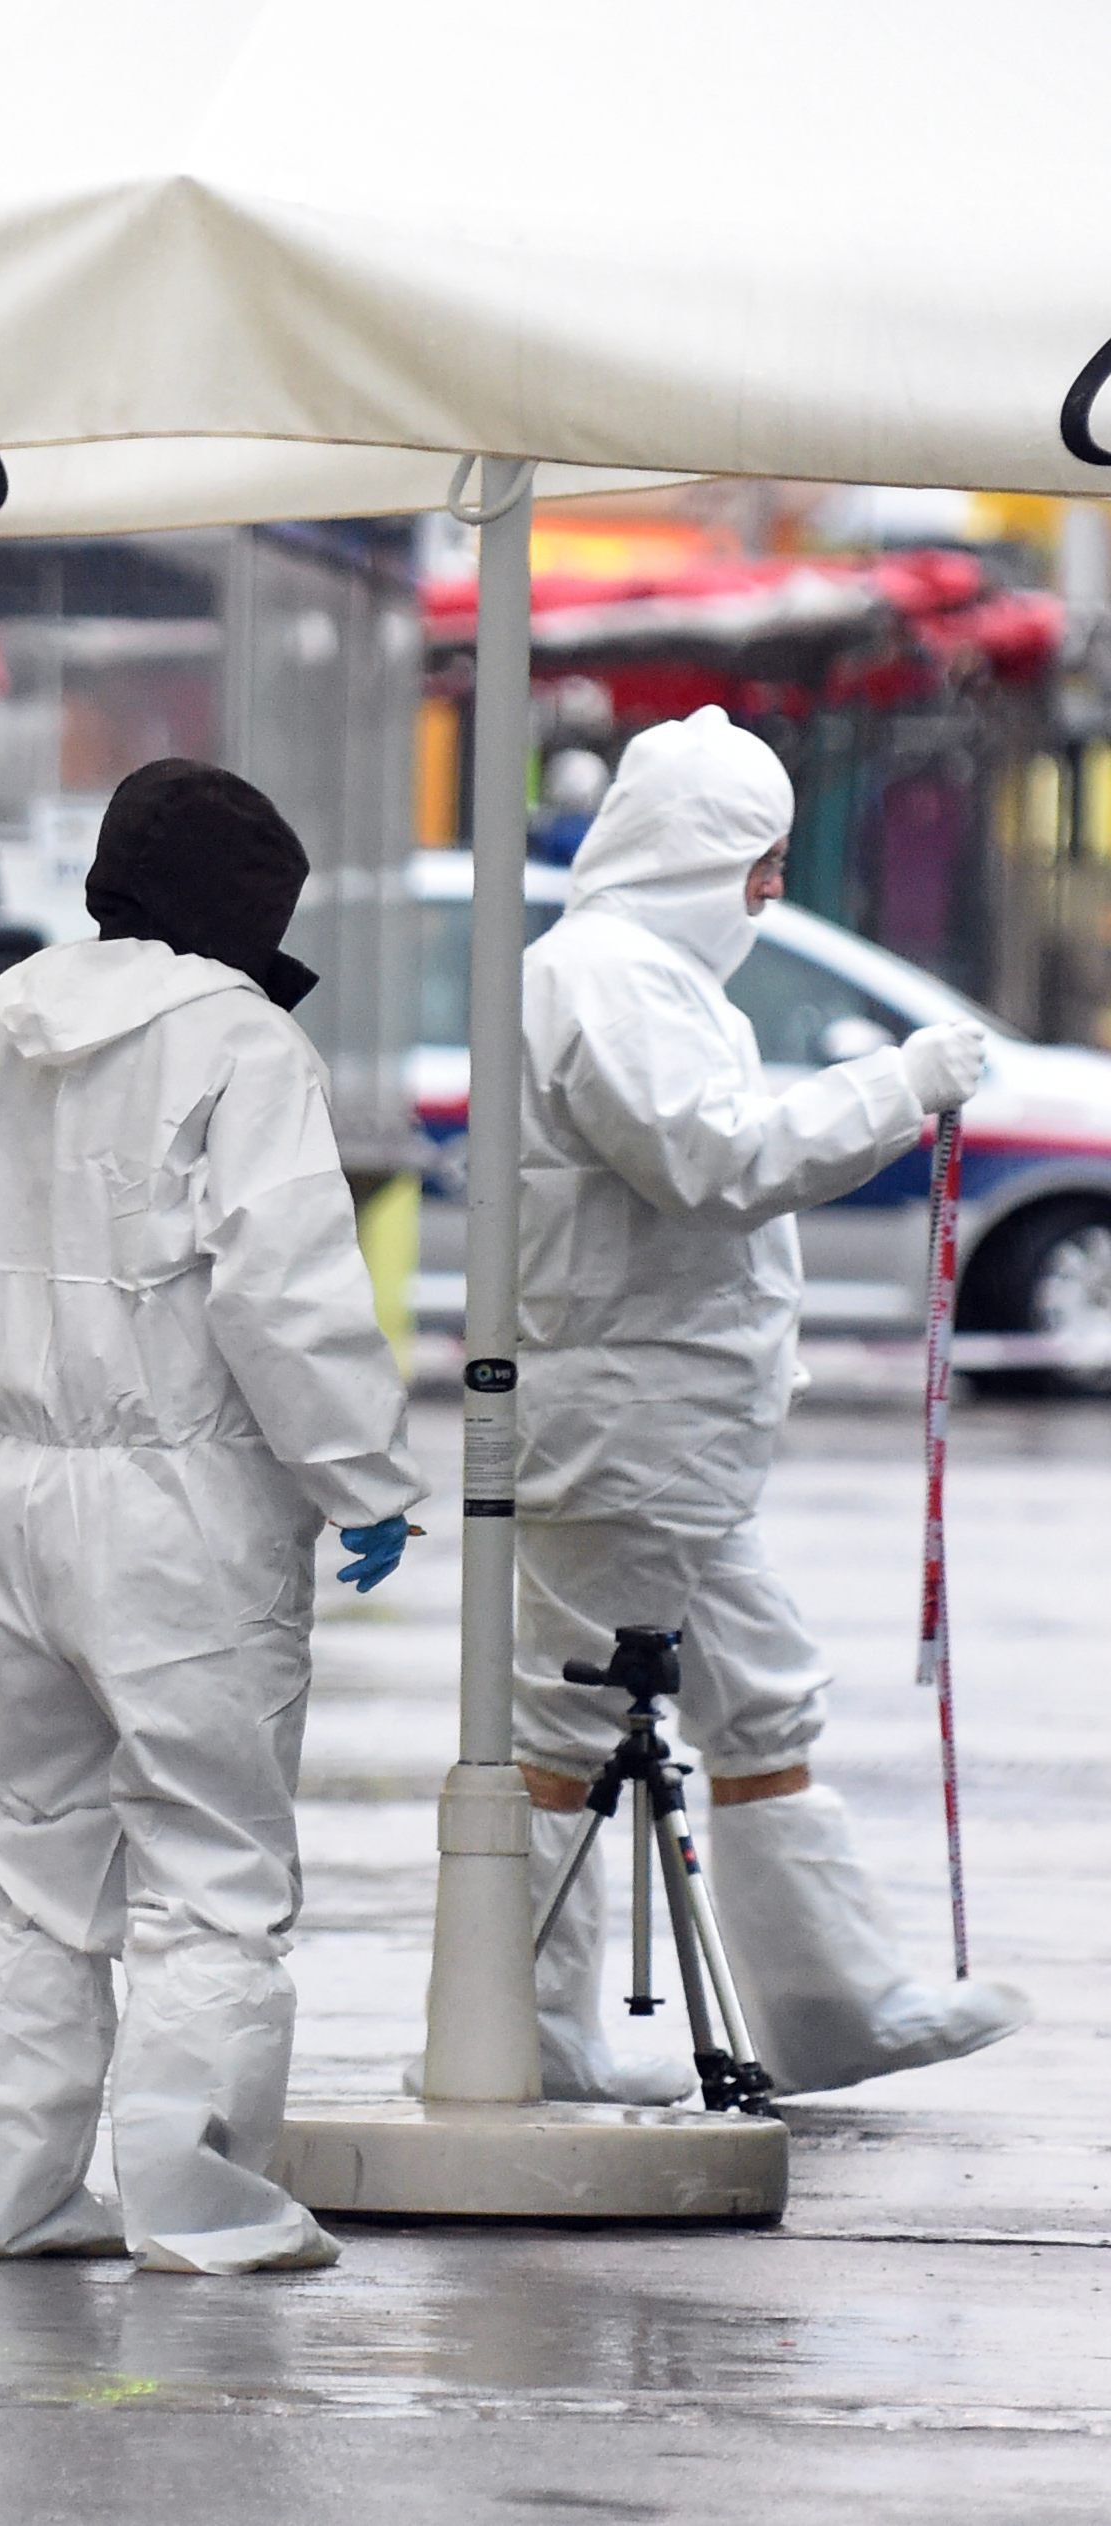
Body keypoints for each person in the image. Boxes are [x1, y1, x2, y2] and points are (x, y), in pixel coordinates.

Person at [0, 760, 421, 2278]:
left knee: (43, 1852)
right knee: (212, 1862)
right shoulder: (242, 1042)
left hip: (23, 1477)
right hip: (182, 1496)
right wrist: (364, 1478)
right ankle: (201, 2202)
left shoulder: (3, 1041)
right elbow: (284, 1292)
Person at [512, 706, 1027, 2101]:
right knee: (568, 1734)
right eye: (759, 861)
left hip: (666, 1439)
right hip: (620, 1434)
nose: (771, 894)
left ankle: (834, 2004)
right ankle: (530, 2046)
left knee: (763, 1701)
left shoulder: (659, 983)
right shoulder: (602, 978)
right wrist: (898, 1085)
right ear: (694, 853)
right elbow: (712, 1161)